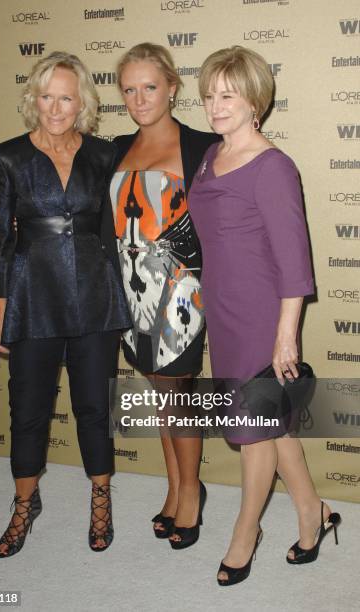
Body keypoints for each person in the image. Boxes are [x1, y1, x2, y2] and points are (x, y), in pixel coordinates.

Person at [188, 46, 341, 585]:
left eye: (228, 94)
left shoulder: (274, 166)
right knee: (271, 425)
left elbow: (294, 261)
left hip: (260, 313)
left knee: (252, 429)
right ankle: (312, 513)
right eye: (209, 95)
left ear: (256, 99)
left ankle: (244, 534)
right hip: (224, 310)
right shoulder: (210, 154)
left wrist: (285, 338)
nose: (216, 105)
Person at [0, 51, 131, 557]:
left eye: (66, 97)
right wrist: (2, 306)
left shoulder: (104, 154)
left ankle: (100, 496)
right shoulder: (7, 156)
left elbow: (118, 230)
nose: (55, 107)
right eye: (46, 96)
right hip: (32, 298)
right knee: (27, 409)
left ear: (82, 102)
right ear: (33, 98)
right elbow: (0, 238)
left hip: (95, 296)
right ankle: (24, 504)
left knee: (94, 406)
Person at [110, 43, 220, 548]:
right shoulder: (115, 149)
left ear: (173, 86)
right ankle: (176, 486)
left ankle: (191, 497)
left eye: (149, 86)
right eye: (129, 89)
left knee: (178, 397)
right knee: (160, 395)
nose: (139, 98)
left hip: (181, 293)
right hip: (132, 293)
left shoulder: (202, 147)